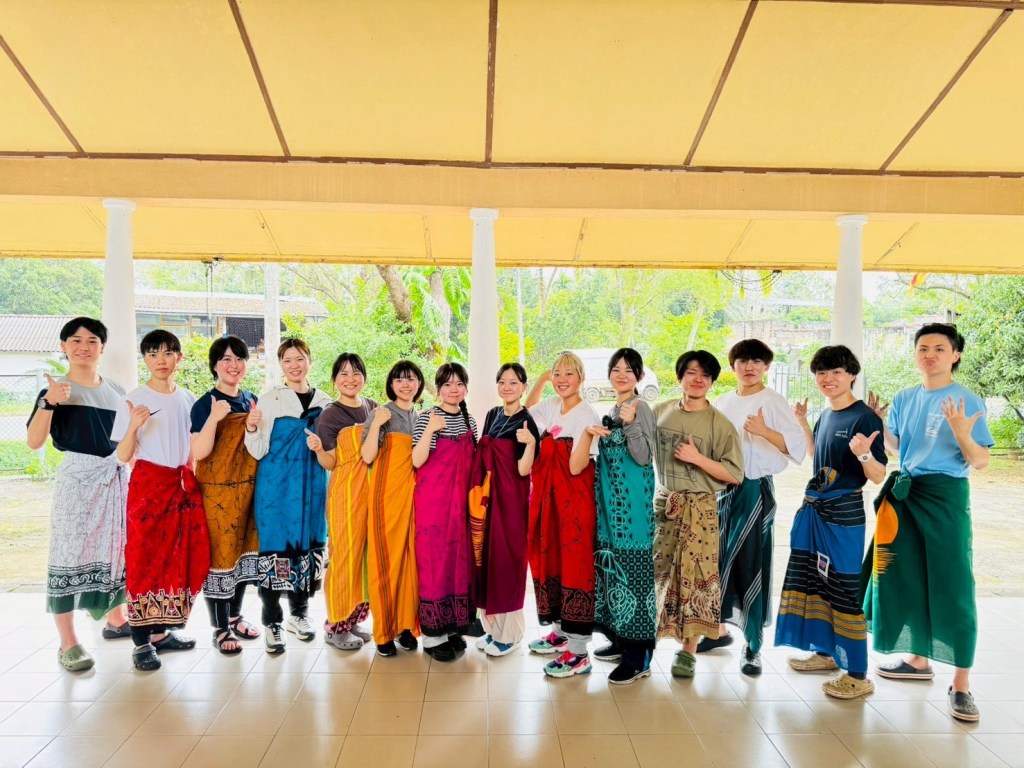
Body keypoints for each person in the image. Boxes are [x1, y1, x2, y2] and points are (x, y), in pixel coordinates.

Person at [864, 323, 993, 722]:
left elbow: (980, 460)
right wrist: (879, 423)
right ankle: (918, 660)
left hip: (945, 497)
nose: (930, 354)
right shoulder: (906, 397)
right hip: (908, 494)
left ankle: (962, 684)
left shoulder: (967, 400)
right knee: (907, 577)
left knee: (954, 585)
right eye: (923, 348)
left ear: (955, 355)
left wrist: (962, 433)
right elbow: (899, 447)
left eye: (939, 348)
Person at [776, 344, 886, 699]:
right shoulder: (827, 415)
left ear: (851, 375)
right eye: (821, 372)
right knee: (818, 582)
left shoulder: (864, 418)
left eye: (836, 372)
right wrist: (803, 423)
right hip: (817, 511)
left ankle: (857, 673)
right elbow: (815, 456)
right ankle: (825, 654)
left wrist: (864, 454)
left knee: (844, 588)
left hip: (844, 516)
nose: (828, 378)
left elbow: (878, 475)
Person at [26, 317, 130, 673]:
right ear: (63, 346)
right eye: (76, 340)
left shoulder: (116, 389)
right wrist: (49, 403)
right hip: (77, 481)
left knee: (115, 550)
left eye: (92, 341)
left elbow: (124, 439)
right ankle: (68, 643)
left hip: (113, 478)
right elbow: (34, 441)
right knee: (68, 555)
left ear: (103, 348)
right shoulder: (56, 390)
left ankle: (116, 619)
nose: (84, 347)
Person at [705, 339, 806, 676]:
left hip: (754, 490)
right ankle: (717, 630)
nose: (749, 367)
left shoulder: (772, 401)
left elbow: (797, 448)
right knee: (718, 561)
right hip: (723, 490)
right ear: (732, 366)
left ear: (766, 367)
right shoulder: (723, 401)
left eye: (757, 361)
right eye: (743, 361)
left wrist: (765, 431)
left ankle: (753, 647)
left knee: (751, 562)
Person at [112, 330, 209, 672]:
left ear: (178, 357)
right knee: (143, 559)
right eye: (153, 354)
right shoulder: (133, 399)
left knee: (177, 558)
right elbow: (123, 455)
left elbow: (195, 447)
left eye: (167, 353)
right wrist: (133, 426)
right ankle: (141, 642)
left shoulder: (188, 399)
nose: (161, 360)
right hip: (148, 488)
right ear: (145, 359)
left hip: (180, 486)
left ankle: (161, 633)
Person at [652, 350, 743, 678]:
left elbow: (735, 474)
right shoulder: (659, 412)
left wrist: (698, 458)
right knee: (658, 573)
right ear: (680, 377)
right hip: (665, 505)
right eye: (691, 372)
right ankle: (648, 639)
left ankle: (688, 651)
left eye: (705, 375)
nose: (698, 379)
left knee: (697, 578)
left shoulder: (720, 423)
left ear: (712, 382)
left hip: (701, 510)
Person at [245, 338, 332, 654]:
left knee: (307, 550)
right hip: (276, 490)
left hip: (312, 488)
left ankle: (300, 614)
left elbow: (333, 448)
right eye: (288, 360)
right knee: (275, 551)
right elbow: (257, 450)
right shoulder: (270, 399)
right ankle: (272, 622)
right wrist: (251, 428)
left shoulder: (325, 401)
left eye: (300, 358)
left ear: (310, 360)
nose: (294, 365)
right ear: (281, 364)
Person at [524, 351, 601, 678]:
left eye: (569, 373)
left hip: (575, 504)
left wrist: (586, 435)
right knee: (551, 560)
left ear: (581, 377)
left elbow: (577, 466)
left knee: (575, 567)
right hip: (550, 502)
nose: (562, 380)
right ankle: (559, 632)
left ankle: (579, 651)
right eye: (557, 373)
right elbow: (527, 410)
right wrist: (542, 379)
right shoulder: (552, 405)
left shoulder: (587, 414)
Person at [588, 348, 658, 685]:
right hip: (611, 510)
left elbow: (644, 457)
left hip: (633, 513)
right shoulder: (613, 409)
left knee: (635, 575)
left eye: (629, 370)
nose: (621, 375)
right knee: (613, 571)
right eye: (616, 369)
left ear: (639, 377)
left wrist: (630, 425)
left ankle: (638, 657)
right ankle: (620, 640)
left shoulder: (640, 408)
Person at [190, 336, 261, 655]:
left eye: (239, 359)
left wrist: (254, 426)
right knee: (220, 559)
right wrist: (214, 419)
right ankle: (220, 628)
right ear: (215, 366)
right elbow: (199, 452)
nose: (234, 365)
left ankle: (235, 616)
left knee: (243, 556)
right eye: (226, 359)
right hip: (215, 492)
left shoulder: (251, 400)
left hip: (247, 487)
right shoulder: (204, 403)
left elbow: (257, 446)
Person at [469, 363, 539, 657]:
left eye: (514, 382)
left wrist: (531, 443)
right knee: (487, 559)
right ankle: (493, 629)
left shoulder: (526, 422)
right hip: (488, 499)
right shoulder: (493, 415)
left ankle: (510, 635)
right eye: (502, 382)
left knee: (507, 563)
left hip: (511, 502)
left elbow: (523, 470)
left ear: (524, 387)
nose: (507, 387)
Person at [412, 363, 478, 662]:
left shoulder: (469, 420)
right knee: (434, 564)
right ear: (438, 388)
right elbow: (416, 459)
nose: (454, 389)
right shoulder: (427, 417)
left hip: (461, 505)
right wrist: (430, 429)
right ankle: (432, 636)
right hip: (434, 504)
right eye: (448, 384)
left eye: (459, 384)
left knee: (457, 563)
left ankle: (453, 627)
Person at [314, 353, 378, 651]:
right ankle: (335, 624)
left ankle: (353, 619)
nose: (350, 379)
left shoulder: (373, 408)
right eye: (343, 373)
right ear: (334, 380)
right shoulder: (330, 415)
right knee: (344, 556)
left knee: (365, 556)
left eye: (356, 373)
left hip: (371, 491)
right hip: (346, 492)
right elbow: (330, 462)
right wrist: (318, 450)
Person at [361, 360, 423, 657]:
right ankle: (383, 631)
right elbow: (367, 456)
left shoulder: (422, 417)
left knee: (410, 563)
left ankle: (405, 626)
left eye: (411, 379)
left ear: (419, 384)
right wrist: (376, 424)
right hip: (386, 497)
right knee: (386, 563)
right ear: (391, 384)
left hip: (415, 499)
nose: (405, 384)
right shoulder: (381, 413)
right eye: (399, 379)